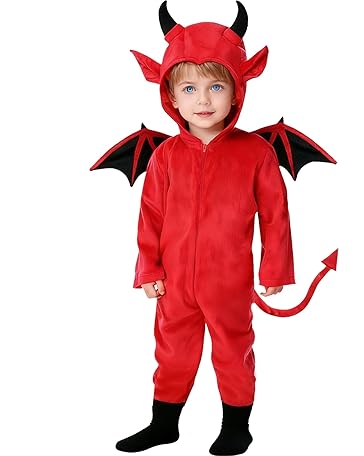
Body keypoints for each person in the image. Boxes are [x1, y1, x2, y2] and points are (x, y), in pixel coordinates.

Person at [115, 2, 295, 454]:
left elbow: (276, 214)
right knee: (171, 351)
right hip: (175, 281)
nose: (203, 100)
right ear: (171, 96)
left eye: (216, 86)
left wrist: (274, 269)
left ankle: (237, 426)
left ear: (237, 91)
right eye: (189, 88)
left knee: (233, 351)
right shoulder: (164, 156)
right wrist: (149, 269)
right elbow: (150, 216)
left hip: (229, 281)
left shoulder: (256, 153)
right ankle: (164, 424)